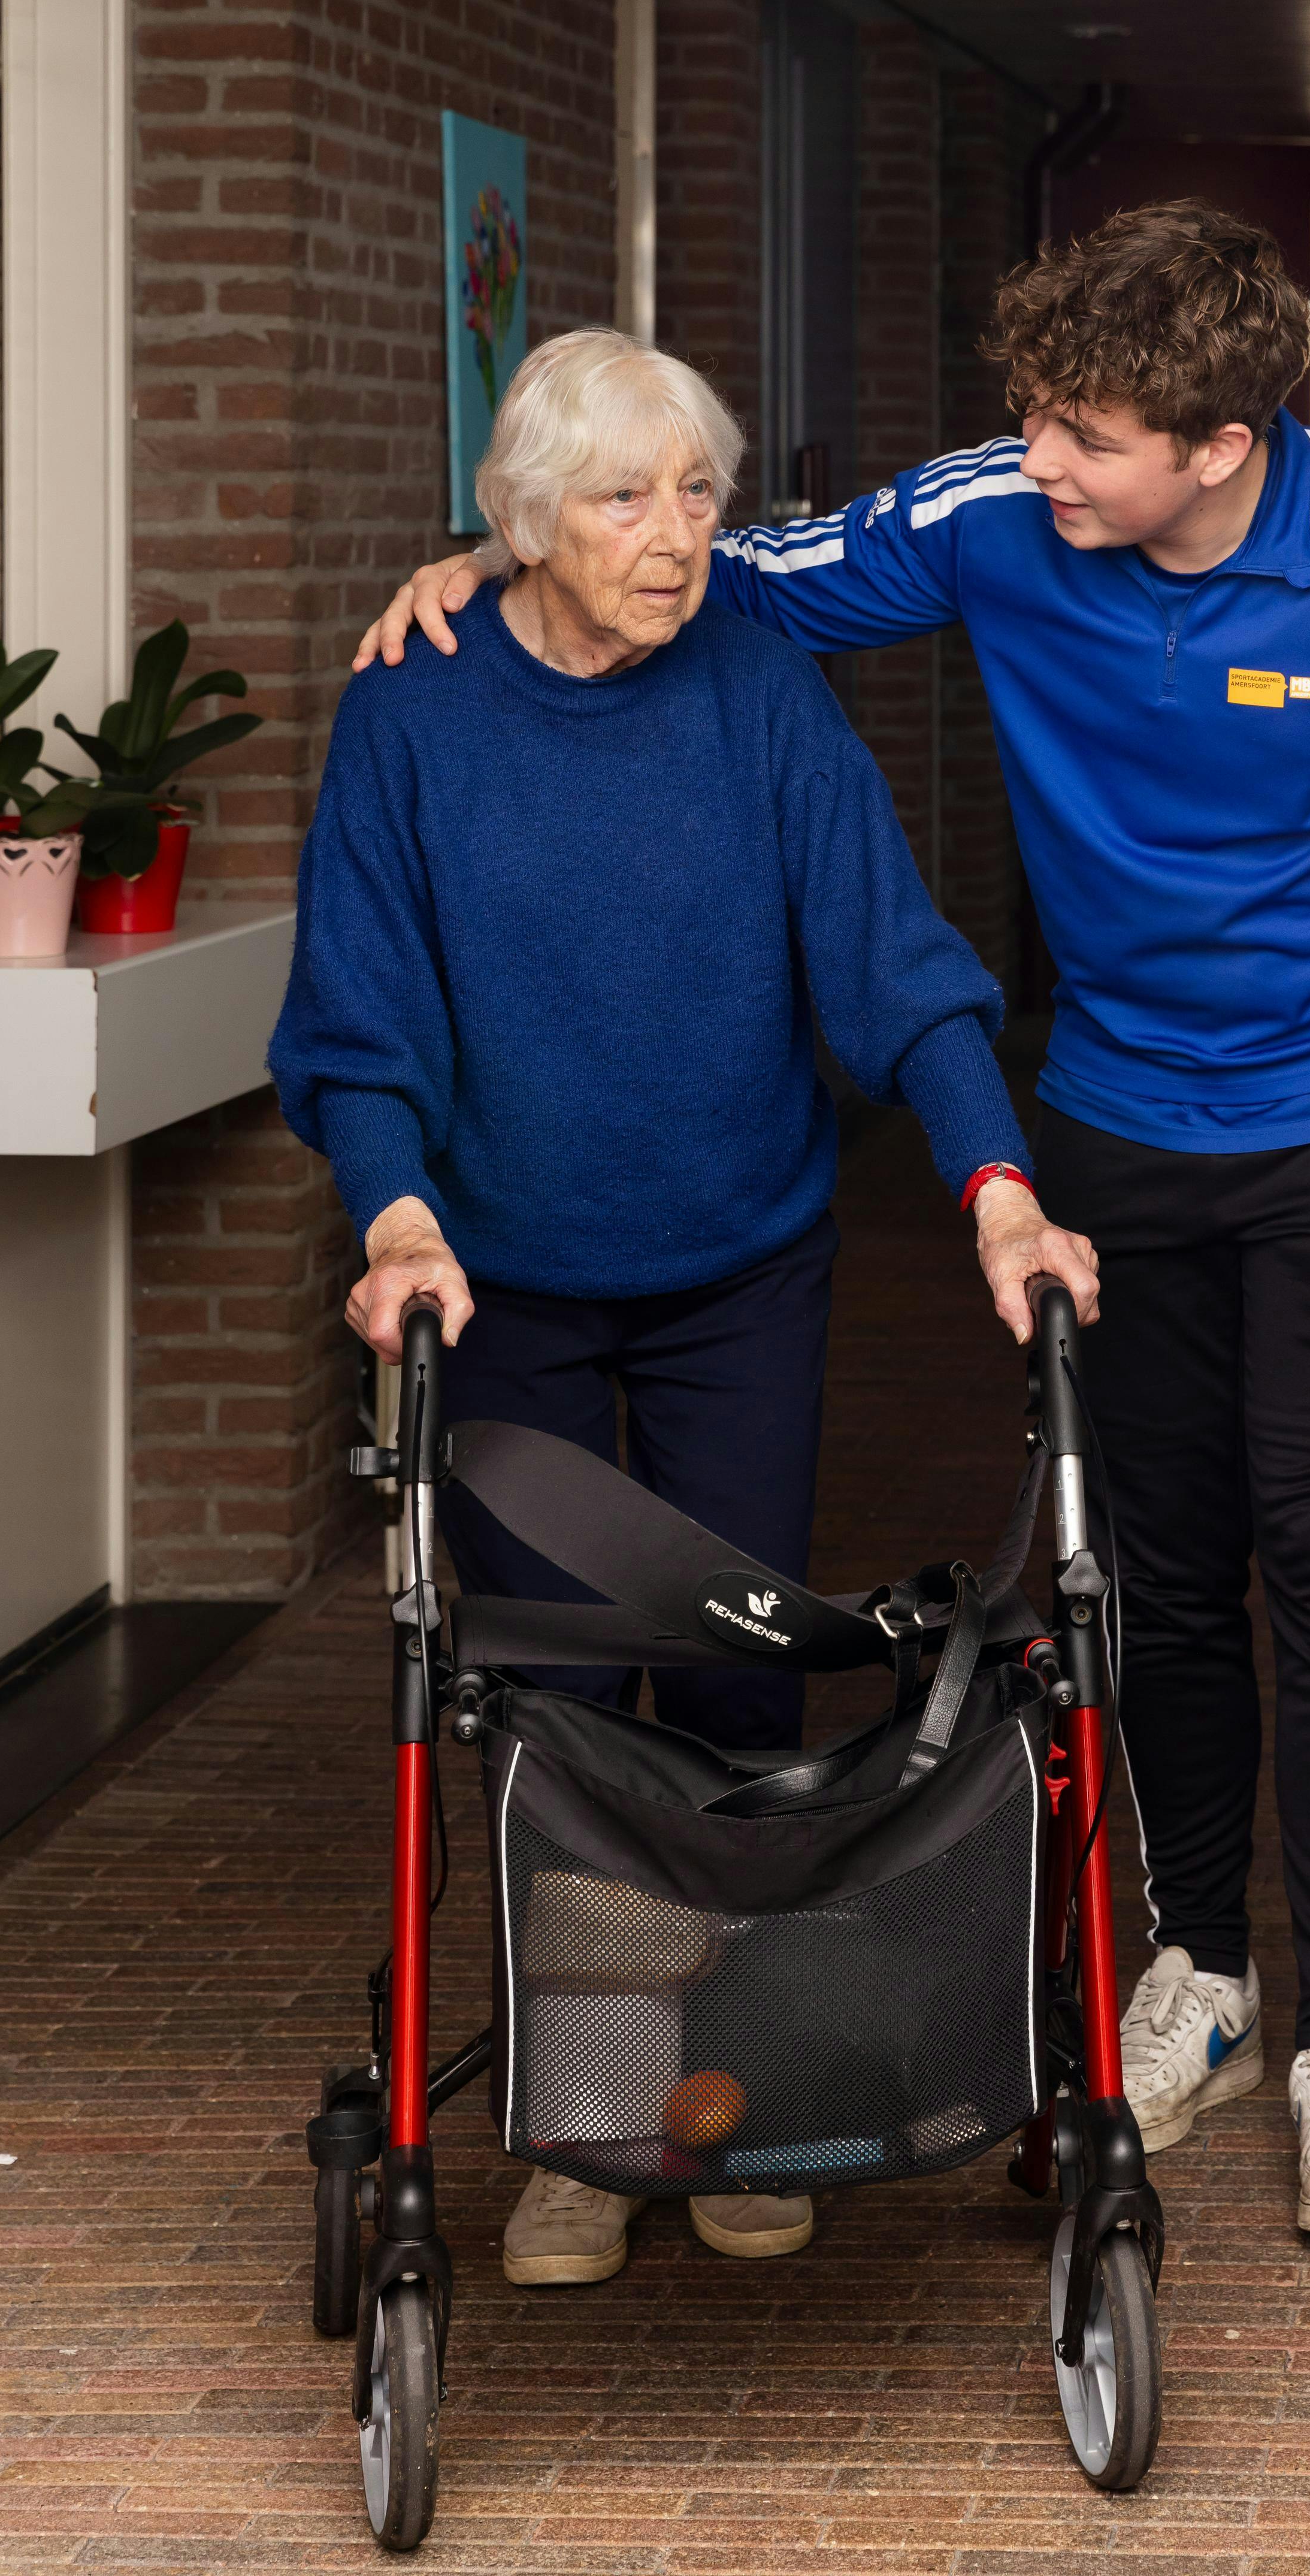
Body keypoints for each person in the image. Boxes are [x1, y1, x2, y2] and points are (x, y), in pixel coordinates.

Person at [357, 203, 1310, 2243]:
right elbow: (701, 567)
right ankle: (1199, 1971)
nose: (1037, 461)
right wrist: (498, 568)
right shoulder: (996, 511)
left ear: (1216, 443)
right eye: (1030, 421)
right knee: (1161, 1564)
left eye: (1083, 435)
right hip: (1115, 1115)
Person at [272, 327, 1096, 2287]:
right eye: (628, 500)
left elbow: (902, 970)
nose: (679, 537)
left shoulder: (756, 682)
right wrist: (395, 1220)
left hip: (740, 1270)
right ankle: (592, 2122)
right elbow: (358, 1022)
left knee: (736, 1691)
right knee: (560, 1715)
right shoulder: (416, 709)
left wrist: (998, 1194)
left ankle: (737, 2099)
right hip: (506, 1288)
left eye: (704, 491)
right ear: (526, 527)